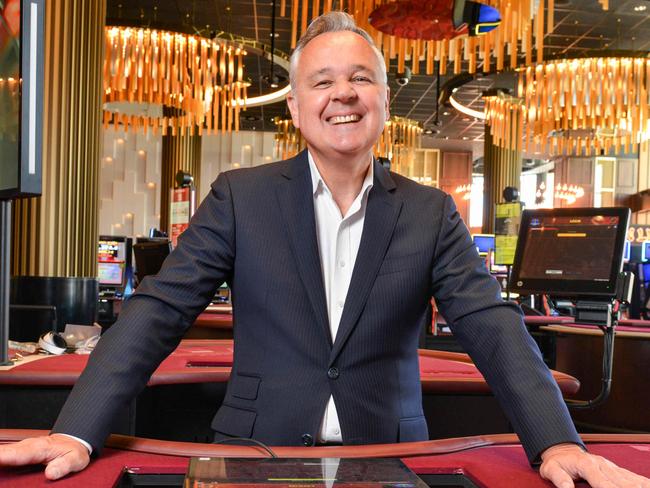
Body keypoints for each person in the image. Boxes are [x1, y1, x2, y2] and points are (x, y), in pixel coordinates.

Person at [1, 12, 648, 488]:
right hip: (251, 458)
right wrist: (76, 428)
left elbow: (494, 330)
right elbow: (155, 312)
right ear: (297, 105)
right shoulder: (239, 196)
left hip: (390, 462)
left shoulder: (429, 210)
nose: (343, 93)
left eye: (361, 78)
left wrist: (558, 443)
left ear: (385, 100)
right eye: (322, 81)